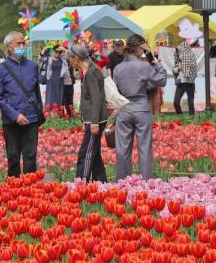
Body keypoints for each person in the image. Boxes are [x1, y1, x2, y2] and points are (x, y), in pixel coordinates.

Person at [112, 34, 167, 180]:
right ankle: (146, 182)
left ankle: (122, 183)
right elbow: (161, 80)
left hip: (123, 108)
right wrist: (152, 58)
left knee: (122, 150)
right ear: (139, 48)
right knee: (145, 148)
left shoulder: (118, 68)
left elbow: (114, 91)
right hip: (141, 108)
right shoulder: (144, 66)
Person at [0, 30, 43, 178]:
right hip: (11, 121)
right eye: (18, 43)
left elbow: (36, 92)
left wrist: (38, 111)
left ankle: (30, 189)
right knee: (13, 158)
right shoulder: (1, 69)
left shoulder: (33, 66)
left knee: (30, 157)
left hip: (31, 119)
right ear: (9, 47)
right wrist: (15, 115)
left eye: (23, 43)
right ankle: (14, 191)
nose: (22, 46)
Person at [68, 46, 107, 183]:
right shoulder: (91, 70)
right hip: (93, 119)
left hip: (94, 120)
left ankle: (81, 183)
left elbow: (96, 98)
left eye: (70, 59)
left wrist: (94, 121)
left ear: (76, 58)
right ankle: (101, 182)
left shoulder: (91, 72)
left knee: (86, 153)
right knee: (95, 155)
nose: (70, 62)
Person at [173, 40, 198, 115]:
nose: (179, 53)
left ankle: (192, 120)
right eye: (179, 51)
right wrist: (178, 68)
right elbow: (174, 70)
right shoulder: (178, 59)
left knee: (191, 103)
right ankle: (180, 116)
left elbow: (194, 68)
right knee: (176, 102)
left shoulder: (191, 56)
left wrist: (186, 69)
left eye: (180, 51)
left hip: (190, 82)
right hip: (180, 83)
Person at [41, 46, 68, 113]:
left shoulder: (63, 59)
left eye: (59, 52)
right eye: (56, 51)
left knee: (59, 97)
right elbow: (40, 58)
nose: (57, 53)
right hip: (51, 81)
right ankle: (49, 113)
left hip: (60, 81)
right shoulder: (49, 59)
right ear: (53, 51)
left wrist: (64, 49)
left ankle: (59, 114)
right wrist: (44, 49)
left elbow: (69, 57)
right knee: (50, 97)